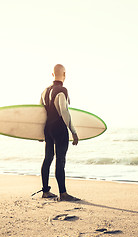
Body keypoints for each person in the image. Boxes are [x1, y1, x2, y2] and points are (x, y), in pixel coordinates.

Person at [40, 64, 80, 201]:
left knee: (48, 158)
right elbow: (64, 111)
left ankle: (45, 191)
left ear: (52, 74)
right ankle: (63, 193)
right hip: (59, 129)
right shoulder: (62, 90)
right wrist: (73, 131)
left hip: (48, 129)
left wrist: (38, 133)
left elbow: (39, 113)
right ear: (65, 74)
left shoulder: (45, 91)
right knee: (60, 160)